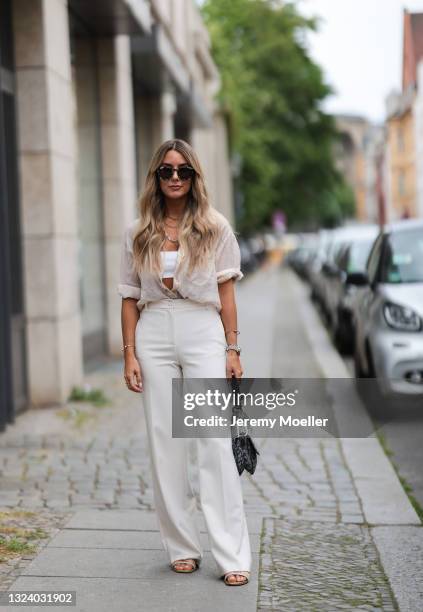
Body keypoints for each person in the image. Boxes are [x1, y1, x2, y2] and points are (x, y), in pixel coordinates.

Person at [117, 138, 252, 586]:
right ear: (155, 177)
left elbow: (227, 294)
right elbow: (130, 297)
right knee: (164, 443)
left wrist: (232, 350)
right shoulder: (138, 231)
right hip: (153, 332)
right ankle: (181, 547)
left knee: (213, 441)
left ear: (195, 176)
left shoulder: (215, 227)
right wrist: (130, 353)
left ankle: (232, 555)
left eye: (184, 171)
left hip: (202, 329)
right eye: (166, 171)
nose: (175, 178)